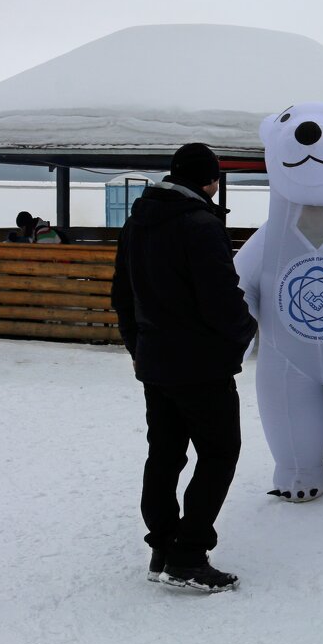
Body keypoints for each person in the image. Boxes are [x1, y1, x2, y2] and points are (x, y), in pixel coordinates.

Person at [111, 143, 257, 593]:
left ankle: (163, 545)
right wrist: (245, 330)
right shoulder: (201, 225)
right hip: (201, 366)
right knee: (219, 453)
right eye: (215, 179)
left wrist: (139, 346)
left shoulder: (138, 221)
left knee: (166, 454)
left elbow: (122, 294)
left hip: (156, 363)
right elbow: (220, 298)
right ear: (209, 180)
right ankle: (189, 555)